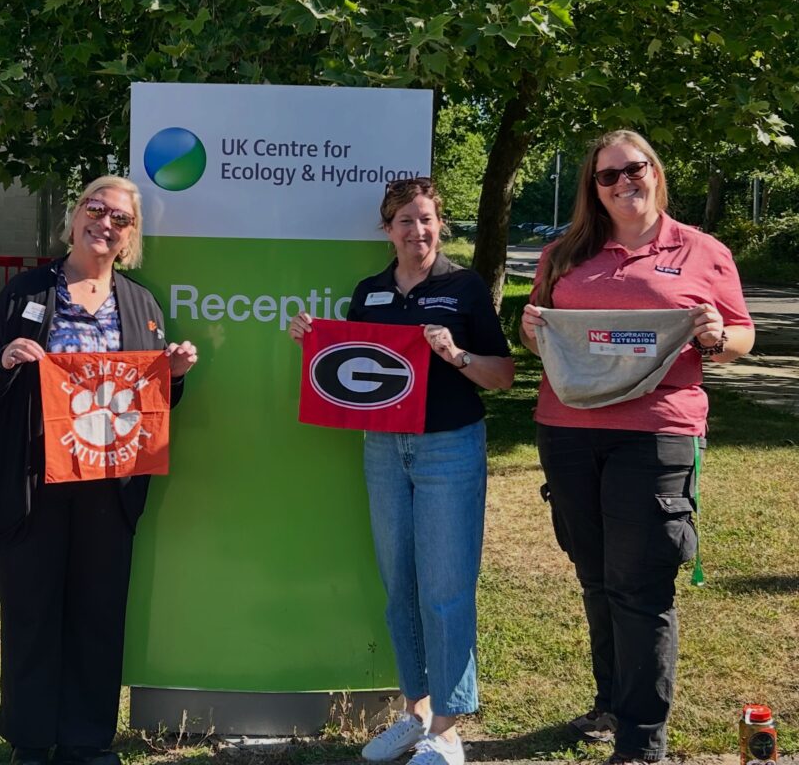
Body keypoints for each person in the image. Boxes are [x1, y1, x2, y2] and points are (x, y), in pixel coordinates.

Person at [519, 130, 755, 765]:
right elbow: (537, 328)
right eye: (608, 175)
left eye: (636, 168)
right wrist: (530, 329)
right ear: (592, 189)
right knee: (595, 577)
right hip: (566, 432)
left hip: (657, 434)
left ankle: (642, 740)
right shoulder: (564, 254)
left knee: (640, 585)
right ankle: (609, 706)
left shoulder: (703, 251)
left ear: (657, 172)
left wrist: (714, 335)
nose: (625, 182)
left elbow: (740, 336)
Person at [0, 176, 198, 765]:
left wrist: (173, 375)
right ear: (74, 218)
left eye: (120, 217)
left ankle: (88, 740)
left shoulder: (141, 303)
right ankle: (32, 739)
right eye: (95, 208)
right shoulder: (25, 291)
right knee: (32, 611)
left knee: (98, 613)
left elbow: (153, 405)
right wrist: (6, 358)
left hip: (108, 483)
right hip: (34, 479)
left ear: (131, 235)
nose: (106, 222)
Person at [289, 177, 514, 765]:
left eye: (427, 219)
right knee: (400, 589)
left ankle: (447, 727)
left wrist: (456, 355)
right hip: (384, 450)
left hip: (449, 449)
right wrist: (314, 343)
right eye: (405, 221)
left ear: (441, 225)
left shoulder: (464, 287)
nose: (418, 230)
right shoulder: (369, 292)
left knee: (445, 588)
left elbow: (503, 376)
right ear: (387, 229)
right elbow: (349, 369)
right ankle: (415, 712)